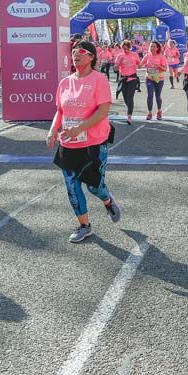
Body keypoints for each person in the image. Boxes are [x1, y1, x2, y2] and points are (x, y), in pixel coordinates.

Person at [47, 41, 121, 243]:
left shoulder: (99, 79)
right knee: (72, 186)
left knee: (94, 187)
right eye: (73, 52)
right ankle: (84, 226)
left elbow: (103, 111)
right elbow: (60, 111)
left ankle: (107, 200)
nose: (75, 55)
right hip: (68, 144)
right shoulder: (65, 82)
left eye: (81, 52)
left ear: (91, 57)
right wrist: (53, 130)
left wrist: (79, 129)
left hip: (93, 143)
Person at [114, 40, 141, 124]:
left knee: (130, 97)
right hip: (124, 79)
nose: (125, 50)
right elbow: (115, 69)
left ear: (130, 48)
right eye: (124, 49)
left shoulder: (134, 55)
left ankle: (129, 116)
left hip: (132, 78)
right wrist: (118, 64)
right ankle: (130, 108)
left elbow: (139, 65)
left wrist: (139, 64)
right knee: (125, 98)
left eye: (127, 49)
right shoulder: (119, 56)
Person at [142, 41, 168, 121]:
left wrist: (158, 66)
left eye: (153, 46)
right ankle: (149, 113)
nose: (152, 48)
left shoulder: (161, 57)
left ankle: (159, 111)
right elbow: (140, 64)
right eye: (151, 46)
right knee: (150, 95)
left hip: (159, 78)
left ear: (157, 48)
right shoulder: (147, 56)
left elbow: (165, 69)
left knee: (157, 96)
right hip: (149, 78)